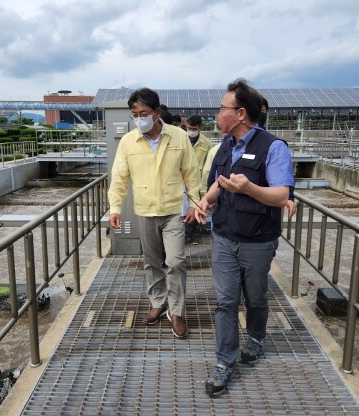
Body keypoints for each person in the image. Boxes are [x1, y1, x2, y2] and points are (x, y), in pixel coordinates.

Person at [194, 79, 294, 397]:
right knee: (224, 303)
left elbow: (281, 195)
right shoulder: (225, 145)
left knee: (255, 299)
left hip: (257, 241)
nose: (217, 114)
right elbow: (220, 182)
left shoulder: (273, 147)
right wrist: (206, 202)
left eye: (222, 108)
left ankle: (256, 337)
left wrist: (249, 188)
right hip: (223, 237)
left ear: (239, 113)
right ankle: (225, 362)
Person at [108, 87, 201, 338]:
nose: (139, 118)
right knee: (151, 262)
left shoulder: (178, 137)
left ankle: (177, 310)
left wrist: (194, 204)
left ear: (157, 112)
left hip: (173, 210)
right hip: (145, 210)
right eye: (134, 114)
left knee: (175, 261)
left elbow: (191, 173)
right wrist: (115, 207)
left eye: (144, 113)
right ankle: (158, 303)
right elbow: (118, 177)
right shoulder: (129, 141)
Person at [185, 115, 212, 244]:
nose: (191, 131)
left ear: (200, 128)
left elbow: (209, 165)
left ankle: (193, 234)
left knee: (196, 206)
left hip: (199, 181)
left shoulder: (206, 143)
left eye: (194, 128)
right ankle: (183, 232)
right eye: (189, 128)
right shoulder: (181, 139)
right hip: (183, 180)